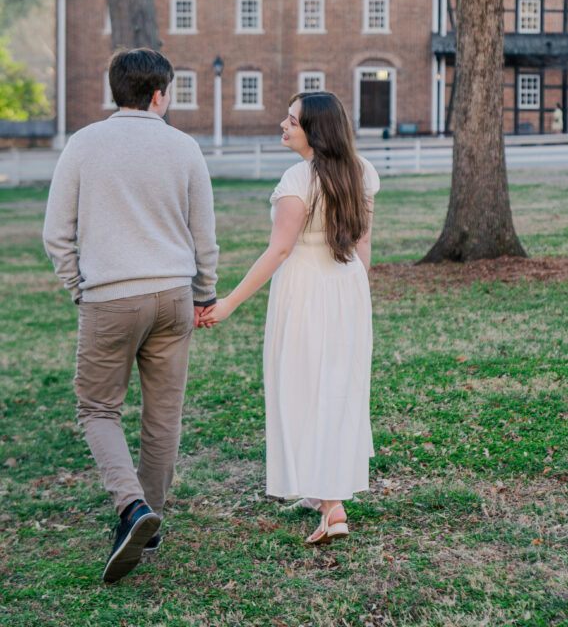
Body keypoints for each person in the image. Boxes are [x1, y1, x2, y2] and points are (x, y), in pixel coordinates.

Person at [43, 48, 218, 583]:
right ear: (160, 94)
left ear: (114, 91)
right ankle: (151, 517)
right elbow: (203, 235)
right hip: (172, 294)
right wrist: (203, 293)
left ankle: (132, 508)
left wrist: (80, 288)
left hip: (111, 296)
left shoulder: (84, 143)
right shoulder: (184, 147)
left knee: (97, 408)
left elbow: (56, 233)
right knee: (163, 415)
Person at [201, 91, 379, 544]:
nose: (283, 125)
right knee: (336, 388)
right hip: (349, 289)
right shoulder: (363, 173)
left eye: (292, 121)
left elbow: (279, 250)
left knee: (302, 386)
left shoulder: (299, 179)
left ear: (314, 131)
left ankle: (333, 505)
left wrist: (228, 303)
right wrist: (361, 297)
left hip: (305, 291)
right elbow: (362, 246)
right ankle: (322, 492)